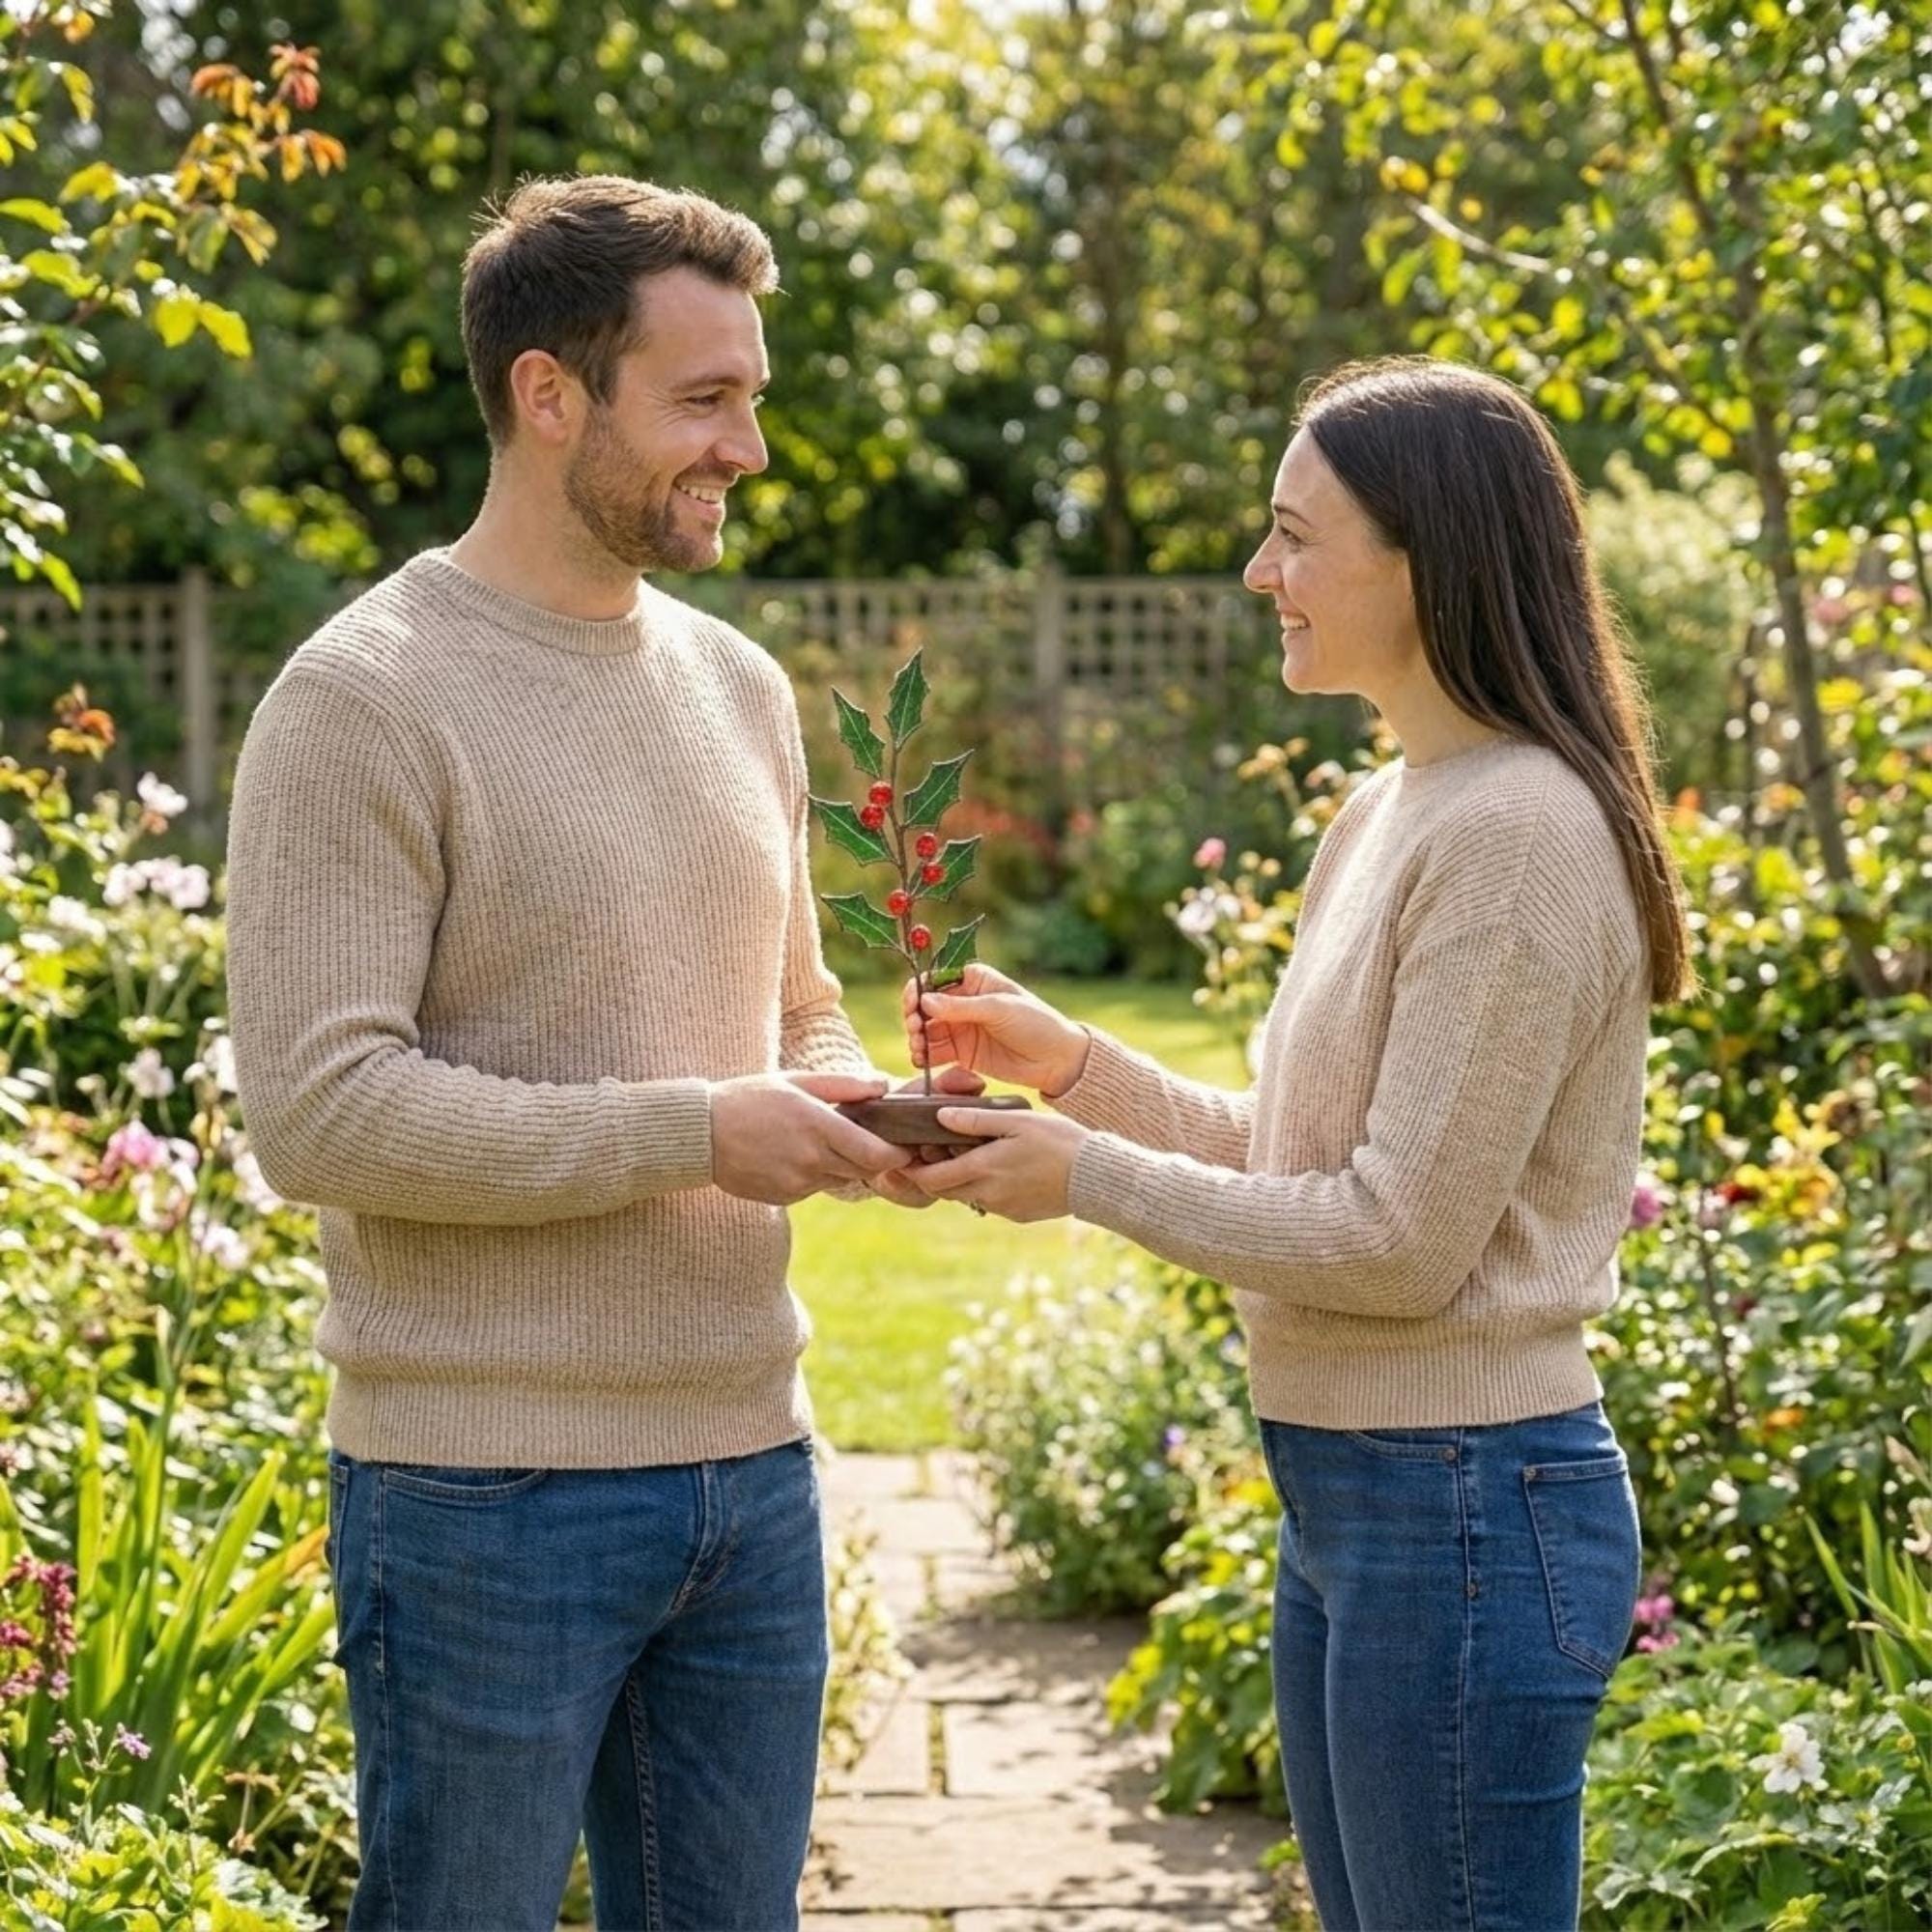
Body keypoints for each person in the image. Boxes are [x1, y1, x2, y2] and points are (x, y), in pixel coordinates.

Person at [225, 175, 970, 1932]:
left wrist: (858, 1103)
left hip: (753, 1469)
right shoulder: (363, 698)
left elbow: (786, 1009)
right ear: (549, 394)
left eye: (753, 396)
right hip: (485, 1492)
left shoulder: (736, 686)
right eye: (705, 401)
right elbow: (322, 1114)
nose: (751, 448)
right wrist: (699, 1132)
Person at [899, 357, 1692, 1932]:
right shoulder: (1394, 808)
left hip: (1464, 1501)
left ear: (1427, 562)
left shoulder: (1519, 834)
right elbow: (1308, 1154)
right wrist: (1080, 1069)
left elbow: (1399, 1242)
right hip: (1364, 1495)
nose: (1262, 572)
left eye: (1292, 535)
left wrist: (1089, 1182)